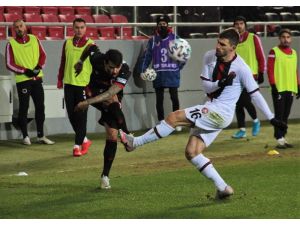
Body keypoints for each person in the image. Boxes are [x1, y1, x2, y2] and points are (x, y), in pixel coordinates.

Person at [119, 28, 287, 199]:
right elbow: (207, 87)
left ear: (233, 48)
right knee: (192, 152)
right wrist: (221, 83)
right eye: (218, 42)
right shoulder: (209, 56)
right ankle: (223, 188)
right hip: (212, 108)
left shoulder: (242, 68)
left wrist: (272, 118)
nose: (218, 46)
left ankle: (135, 143)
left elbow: (255, 94)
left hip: (220, 112)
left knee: (173, 117)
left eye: (223, 45)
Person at [74, 47, 131, 189]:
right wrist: (81, 61)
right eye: (111, 68)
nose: (114, 72)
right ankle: (127, 136)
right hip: (93, 92)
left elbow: (111, 92)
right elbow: (90, 48)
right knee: (111, 102)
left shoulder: (125, 70)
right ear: (105, 63)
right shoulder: (97, 58)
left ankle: (105, 176)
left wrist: (86, 103)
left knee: (112, 134)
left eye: (117, 68)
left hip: (108, 96)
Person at [5, 19, 54, 145]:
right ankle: (25, 136)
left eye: (21, 26)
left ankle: (40, 136)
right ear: (13, 29)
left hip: (37, 79)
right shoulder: (11, 44)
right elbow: (9, 64)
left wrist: (38, 68)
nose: (19, 29)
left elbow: (43, 55)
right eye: (16, 27)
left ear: (25, 26)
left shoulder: (34, 39)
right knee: (24, 108)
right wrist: (25, 71)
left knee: (40, 107)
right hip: (23, 80)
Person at [138, 15, 185, 131]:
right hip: (158, 74)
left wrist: (178, 68)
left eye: (164, 24)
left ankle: (177, 122)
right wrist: (142, 70)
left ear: (168, 25)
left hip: (172, 74)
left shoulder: (175, 38)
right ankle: (161, 122)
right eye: (160, 24)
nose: (162, 26)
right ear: (157, 26)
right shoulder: (153, 40)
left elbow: (184, 55)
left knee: (174, 98)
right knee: (159, 99)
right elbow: (147, 57)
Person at [57, 18, 94, 157]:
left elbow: (96, 66)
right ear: (73, 28)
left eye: (82, 27)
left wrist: (92, 86)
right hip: (69, 84)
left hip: (83, 86)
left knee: (82, 117)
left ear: (86, 28)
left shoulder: (91, 45)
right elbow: (63, 62)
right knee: (72, 116)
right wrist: (60, 79)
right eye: (77, 27)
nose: (79, 30)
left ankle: (77, 146)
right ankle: (84, 140)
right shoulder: (66, 43)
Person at [232, 16, 266, 139]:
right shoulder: (232, 40)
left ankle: (256, 121)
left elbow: (260, 56)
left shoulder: (253, 38)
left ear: (245, 25)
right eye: (237, 23)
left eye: (241, 23)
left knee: (245, 101)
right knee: (237, 103)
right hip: (236, 76)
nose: (239, 26)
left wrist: (262, 72)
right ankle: (242, 129)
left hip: (251, 75)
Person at [267, 29, 300, 149]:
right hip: (279, 88)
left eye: (288, 37)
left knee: (286, 114)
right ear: (279, 39)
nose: (286, 39)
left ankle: (282, 138)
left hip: (290, 88)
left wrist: (298, 85)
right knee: (279, 115)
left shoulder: (294, 52)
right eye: (283, 37)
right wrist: (273, 85)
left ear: (291, 39)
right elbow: (270, 70)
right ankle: (279, 139)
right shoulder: (274, 51)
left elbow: (295, 70)